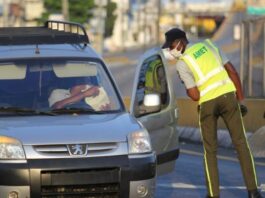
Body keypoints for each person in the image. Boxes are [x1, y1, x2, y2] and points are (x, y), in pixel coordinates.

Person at [161, 28, 263, 198]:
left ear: (180, 43)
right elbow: (232, 71)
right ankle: (253, 192)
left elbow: (194, 95)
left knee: (210, 151)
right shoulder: (210, 45)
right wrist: (240, 99)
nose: (170, 51)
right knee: (241, 144)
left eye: (171, 47)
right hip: (228, 96)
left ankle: (213, 195)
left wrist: (188, 87)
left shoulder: (182, 63)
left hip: (208, 104)